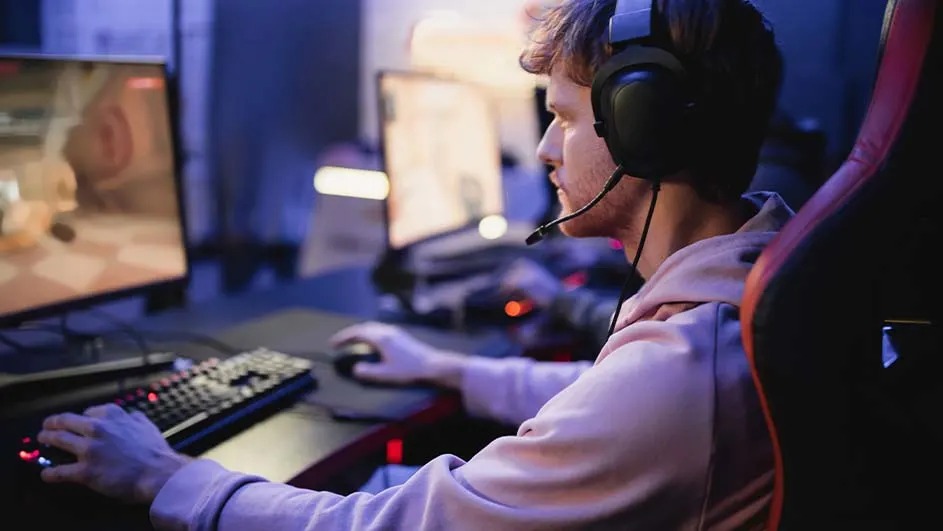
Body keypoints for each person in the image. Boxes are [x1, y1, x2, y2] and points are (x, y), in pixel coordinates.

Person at [35, 0, 788, 528]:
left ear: (643, 126)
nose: (542, 150)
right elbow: (601, 399)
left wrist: (165, 476)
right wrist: (452, 369)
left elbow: (388, 525)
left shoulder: (681, 374)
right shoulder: (741, 293)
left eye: (560, 115)